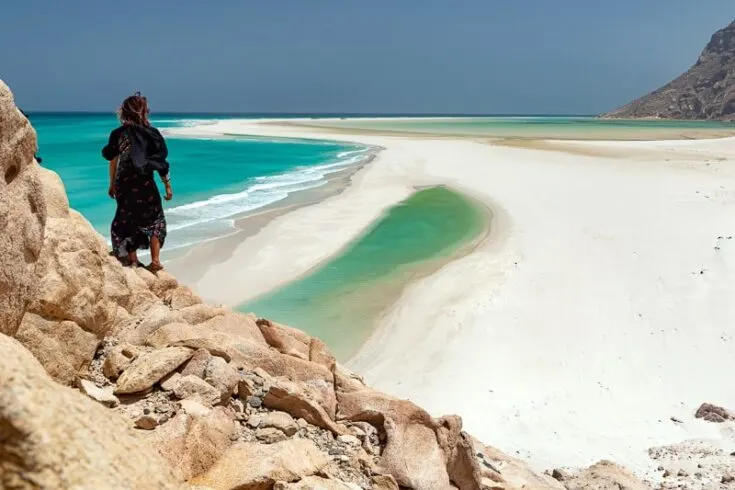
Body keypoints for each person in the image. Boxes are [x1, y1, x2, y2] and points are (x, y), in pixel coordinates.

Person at [102, 92, 173, 271]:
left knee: (127, 219)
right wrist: (167, 185)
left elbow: (113, 159)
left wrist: (111, 183)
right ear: (144, 112)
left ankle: (133, 260)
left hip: (124, 182)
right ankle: (155, 260)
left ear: (124, 112)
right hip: (144, 183)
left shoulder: (118, 134)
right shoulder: (152, 134)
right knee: (155, 217)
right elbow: (160, 163)